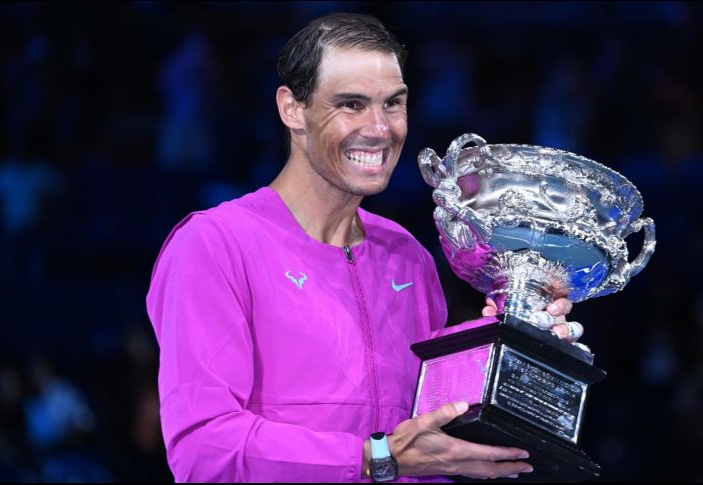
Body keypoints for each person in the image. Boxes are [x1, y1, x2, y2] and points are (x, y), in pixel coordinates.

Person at [146, 12, 580, 482]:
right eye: (351, 104)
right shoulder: (214, 245)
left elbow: (425, 438)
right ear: (292, 108)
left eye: (393, 104)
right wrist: (377, 458)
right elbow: (204, 450)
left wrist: (513, 340)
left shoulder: (407, 255)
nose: (379, 128)